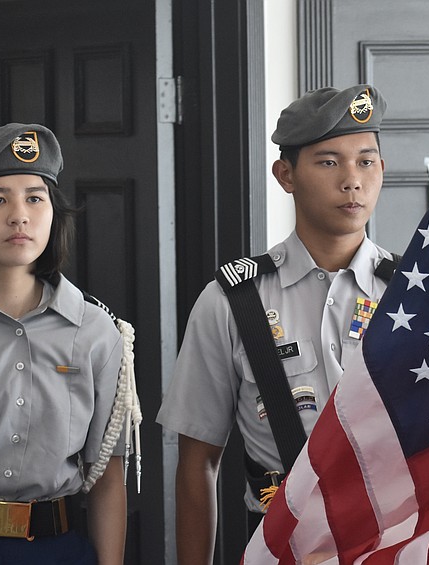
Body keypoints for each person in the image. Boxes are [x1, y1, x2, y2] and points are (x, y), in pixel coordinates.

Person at [157, 84, 396, 563]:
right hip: (281, 545)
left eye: (366, 161)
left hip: (395, 544)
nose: (352, 180)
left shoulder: (413, 296)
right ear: (286, 175)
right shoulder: (234, 302)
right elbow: (197, 463)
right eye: (329, 162)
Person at [0, 123, 133, 564]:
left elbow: (107, 477)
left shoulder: (95, 330)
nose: (19, 215)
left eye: (35, 198)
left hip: (57, 549)